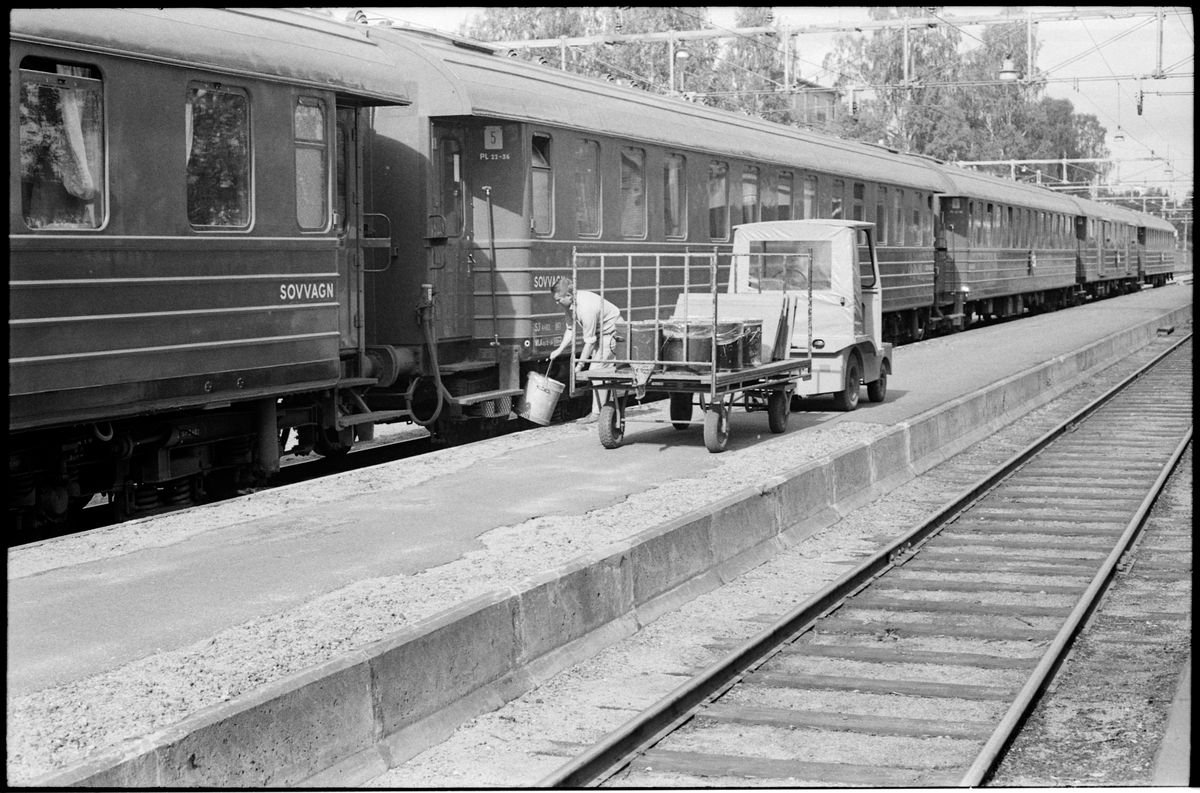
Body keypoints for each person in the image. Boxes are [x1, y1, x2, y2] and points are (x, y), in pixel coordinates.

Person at [548, 276, 621, 418]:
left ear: (568, 295)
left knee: (596, 371)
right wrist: (558, 350)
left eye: (558, 300)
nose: (557, 303)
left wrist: (579, 366)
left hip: (612, 332)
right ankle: (602, 410)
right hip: (601, 334)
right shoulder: (569, 304)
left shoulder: (586, 308)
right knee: (598, 371)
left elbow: (590, 342)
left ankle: (597, 413)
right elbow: (570, 329)